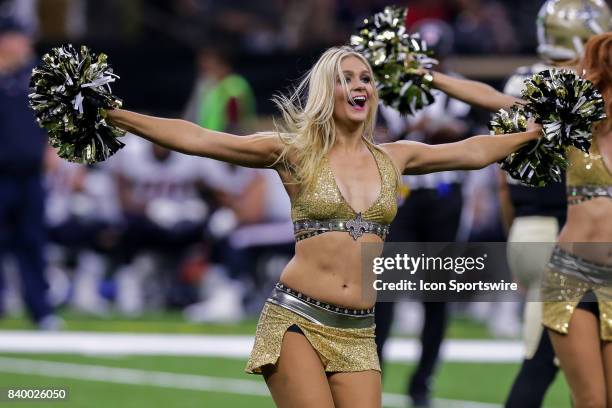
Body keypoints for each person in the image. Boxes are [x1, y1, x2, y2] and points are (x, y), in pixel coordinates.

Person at [105, 46, 541, 407]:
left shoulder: (396, 156)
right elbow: (200, 139)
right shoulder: (295, 152)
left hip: (358, 331)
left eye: (365, 78)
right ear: (325, 91)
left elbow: (473, 151)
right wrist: (116, 116)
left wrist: (533, 133)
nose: (358, 86)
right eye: (345, 78)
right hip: (298, 319)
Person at [425, 32, 612, 408]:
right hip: (572, 274)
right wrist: (431, 77)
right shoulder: (576, 121)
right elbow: (500, 102)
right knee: (591, 401)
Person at [502, 1, 610, 406]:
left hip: (524, 230)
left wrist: (508, 233)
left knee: (552, 359)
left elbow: (501, 180)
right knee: (545, 361)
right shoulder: (583, 87)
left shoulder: (519, 80)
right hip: (563, 232)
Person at [375, 19, 471, 407]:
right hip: (403, 198)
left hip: (445, 198)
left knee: (438, 295)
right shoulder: (392, 89)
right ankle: (371, 375)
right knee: (384, 293)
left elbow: (471, 132)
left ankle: (422, 381)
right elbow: (378, 133)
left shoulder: (460, 88)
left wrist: (441, 127)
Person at [0, 15, 62, 330]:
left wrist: (52, 149)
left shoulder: (33, 77)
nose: (28, 45)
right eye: (22, 38)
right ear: (5, 40)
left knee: (33, 243)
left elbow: (52, 119)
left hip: (29, 176)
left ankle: (41, 310)